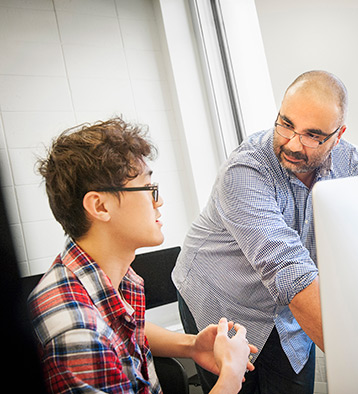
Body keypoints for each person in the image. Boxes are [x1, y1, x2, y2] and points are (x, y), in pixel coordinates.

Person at [172, 70, 358, 393]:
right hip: (220, 301)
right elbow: (288, 269)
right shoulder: (246, 170)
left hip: (286, 316)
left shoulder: (353, 166)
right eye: (286, 124)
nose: (293, 143)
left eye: (312, 135)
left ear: (338, 135)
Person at [28, 118, 257, 394]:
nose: (158, 201)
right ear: (100, 206)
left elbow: (124, 329)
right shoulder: (78, 334)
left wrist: (192, 346)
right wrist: (231, 375)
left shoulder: (101, 275)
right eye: (148, 189)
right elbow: (100, 336)